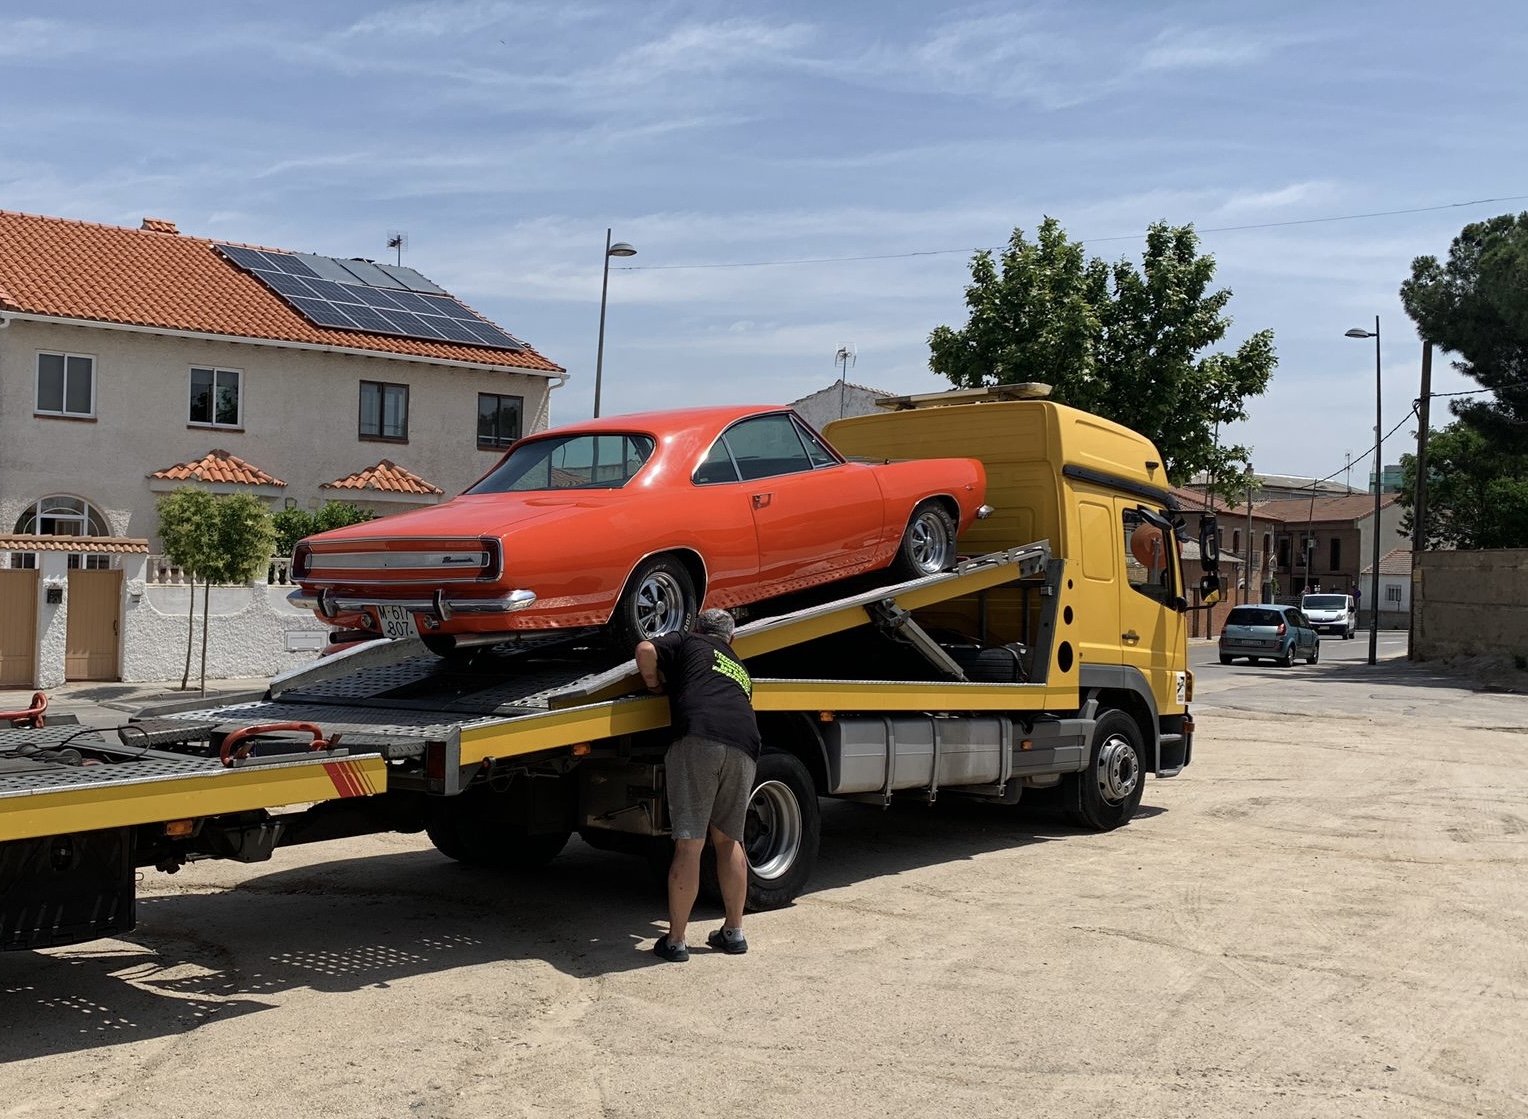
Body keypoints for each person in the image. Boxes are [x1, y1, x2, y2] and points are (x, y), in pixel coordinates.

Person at [635, 608, 760, 963]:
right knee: (729, 841)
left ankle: (675, 941)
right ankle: (734, 932)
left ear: (699, 628)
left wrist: (654, 684)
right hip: (745, 746)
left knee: (690, 844)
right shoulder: (739, 667)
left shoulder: (690, 640)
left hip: (700, 737)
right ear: (731, 639)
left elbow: (645, 649)